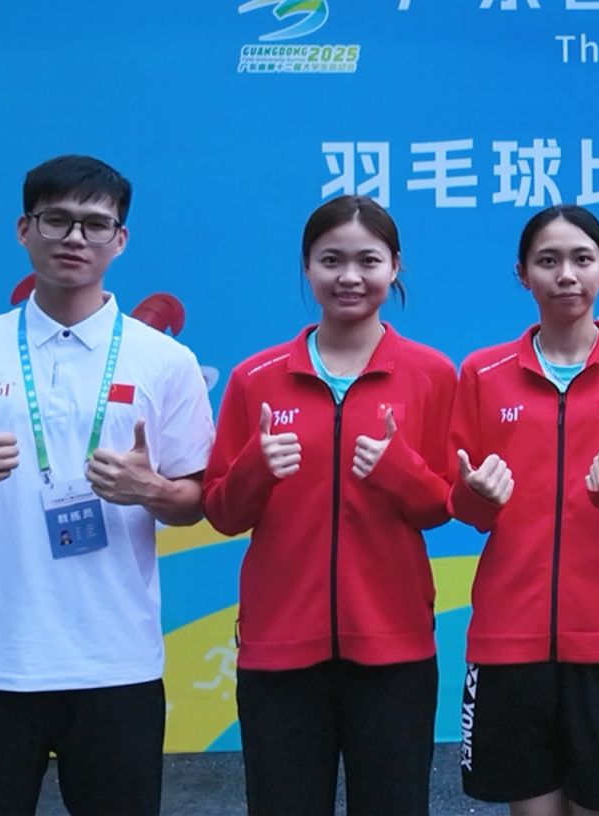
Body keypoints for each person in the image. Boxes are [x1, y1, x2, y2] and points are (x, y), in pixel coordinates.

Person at [0, 155, 214, 816]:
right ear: (24, 229)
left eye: (95, 224)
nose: (75, 238)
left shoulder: (165, 361)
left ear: (121, 239)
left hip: (114, 662)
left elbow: (194, 504)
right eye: (56, 219)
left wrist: (148, 489)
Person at [202, 195, 455, 815]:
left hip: (394, 646)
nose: (349, 277)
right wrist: (256, 468)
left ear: (395, 266)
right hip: (280, 645)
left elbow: (443, 506)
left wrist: (399, 471)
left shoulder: (431, 374)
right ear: (307, 267)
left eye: (368, 260)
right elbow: (223, 513)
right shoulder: (256, 378)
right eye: (331, 260)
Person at [449, 205, 599, 815]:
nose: (566, 275)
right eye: (547, 261)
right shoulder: (483, 372)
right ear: (523, 274)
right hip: (509, 637)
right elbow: (460, 500)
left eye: (582, 259)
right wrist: (478, 495)